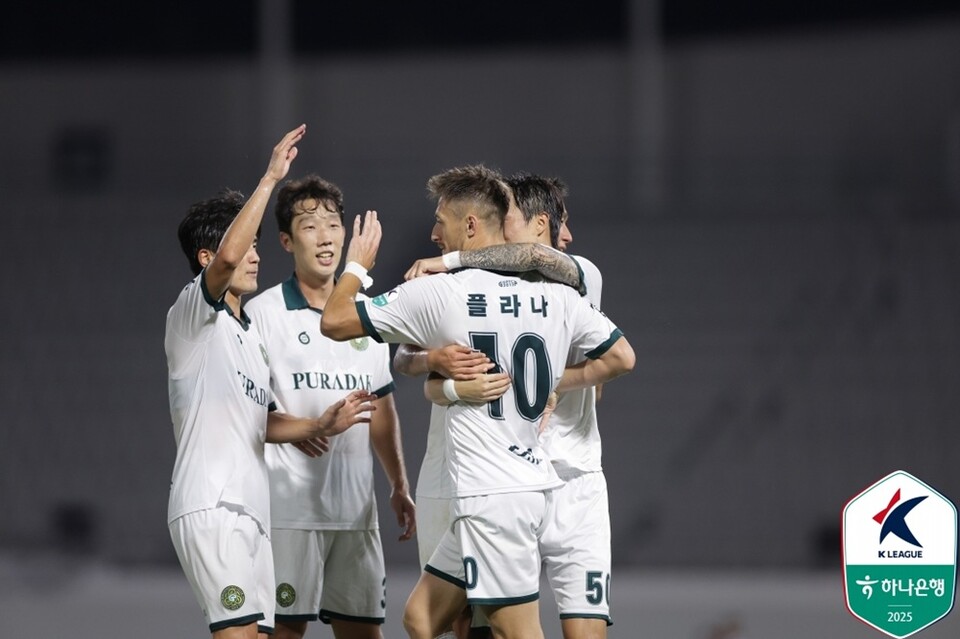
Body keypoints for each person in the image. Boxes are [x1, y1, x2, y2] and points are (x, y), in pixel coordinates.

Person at [318, 165, 635, 639]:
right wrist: (445, 378)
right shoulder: (557, 297)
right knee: (422, 619)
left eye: (441, 220)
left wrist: (358, 265)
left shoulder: (446, 291)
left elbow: (336, 321)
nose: (432, 233)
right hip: (508, 481)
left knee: (516, 632)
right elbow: (621, 357)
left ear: (470, 225)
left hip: (503, 489)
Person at [165, 125, 377, 639]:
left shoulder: (247, 334)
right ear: (205, 261)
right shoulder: (192, 316)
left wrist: (313, 424)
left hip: (253, 511)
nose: (255, 255)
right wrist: (269, 179)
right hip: (212, 505)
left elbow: (259, 421)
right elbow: (230, 257)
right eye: (246, 245)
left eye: (260, 244)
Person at [418, 173, 612, 639]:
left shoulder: (577, 276)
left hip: (572, 477)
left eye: (506, 222)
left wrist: (450, 259)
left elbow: (533, 256)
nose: (497, 234)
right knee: (477, 625)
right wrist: (436, 367)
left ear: (536, 224)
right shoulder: (472, 290)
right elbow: (424, 373)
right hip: (506, 481)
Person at [244, 174, 416, 639]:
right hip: (290, 515)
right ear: (286, 240)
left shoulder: (365, 313)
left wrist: (399, 483)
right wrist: (310, 426)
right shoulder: (262, 315)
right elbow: (247, 415)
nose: (325, 236)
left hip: (356, 513)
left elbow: (379, 407)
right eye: (309, 226)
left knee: (364, 634)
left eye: (333, 224)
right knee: (285, 633)